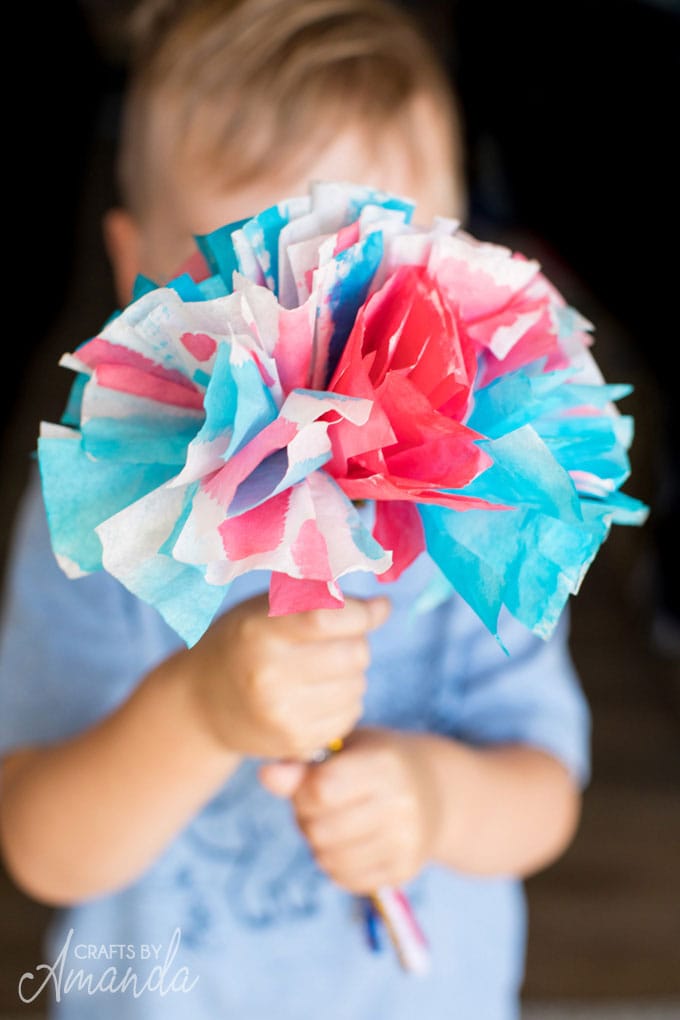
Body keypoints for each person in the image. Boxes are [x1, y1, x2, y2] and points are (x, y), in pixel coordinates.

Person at [0, 2, 590, 1018]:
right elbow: (46, 849)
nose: (300, 363)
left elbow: (542, 796)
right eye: (234, 278)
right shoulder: (99, 514)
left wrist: (434, 795)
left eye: (358, 279)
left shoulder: (482, 502)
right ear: (130, 264)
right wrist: (196, 711)